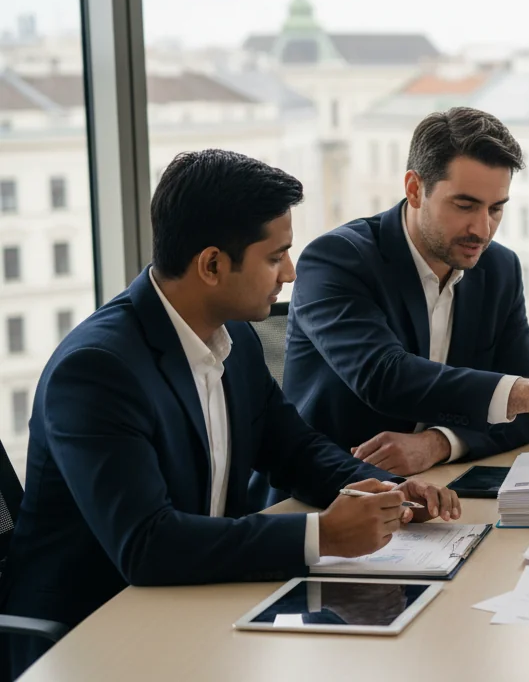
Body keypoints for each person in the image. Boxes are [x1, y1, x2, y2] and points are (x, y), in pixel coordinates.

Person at [0, 150, 459, 678]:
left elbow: (294, 450)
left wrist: (385, 490)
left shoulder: (232, 335)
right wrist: (323, 535)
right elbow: (147, 546)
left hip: (200, 608)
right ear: (212, 264)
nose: (290, 272)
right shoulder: (98, 371)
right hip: (91, 640)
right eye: (275, 256)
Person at [284, 107, 529, 480]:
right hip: (329, 494)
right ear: (415, 189)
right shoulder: (337, 259)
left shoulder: (498, 269)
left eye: (496, 209)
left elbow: (527, 420)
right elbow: (383, 375)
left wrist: (438, 443)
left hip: (439, 489)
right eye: (465, 205)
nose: (482, 229)